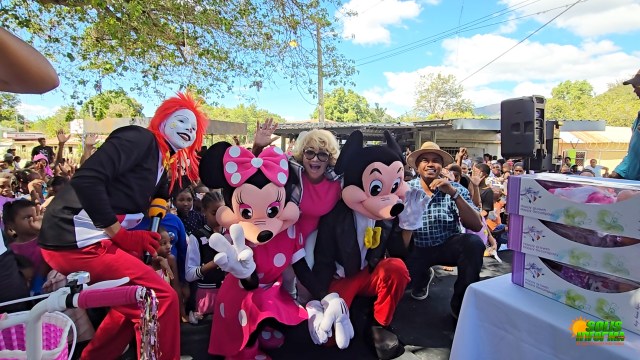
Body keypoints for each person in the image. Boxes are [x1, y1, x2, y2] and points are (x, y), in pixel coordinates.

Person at [37, 92, 208, 359]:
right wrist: (121, 237)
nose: (188, 128)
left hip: (93, 241)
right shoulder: (140, 138)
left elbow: (159, 194)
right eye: (182, 120)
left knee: (130, 303)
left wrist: (150, 236)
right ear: (163, 119)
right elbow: (87, 180)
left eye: (194, 127)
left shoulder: (163, 161)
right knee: (158, 299)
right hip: (76, 241)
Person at [405, 141, 484, 319]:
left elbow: (477, 225)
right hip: (416, 248)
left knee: (473, 243)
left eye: (435, 160)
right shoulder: (406, 190)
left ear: (442, 166)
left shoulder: (456, 189)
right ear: (417, 167)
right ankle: (423, 276)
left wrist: (454, 194)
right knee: (407, 281)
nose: (430, 164)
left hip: (447, 245)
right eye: (425, 160)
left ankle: (461, 304)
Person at [185, 191, 226, 324]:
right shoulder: (196, 237)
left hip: (229, 292)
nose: (219, 217)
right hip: (207, 295)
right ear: (204, 212)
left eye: (223, 212)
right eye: (214, 213)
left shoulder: (232, 233)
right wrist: (211, 265)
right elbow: (189, 274)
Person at [610, 70, 640, 180]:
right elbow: (633, 152)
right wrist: (619, 172)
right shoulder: (638, 118)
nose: (634, 90)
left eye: (636, 86)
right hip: (633, 185)